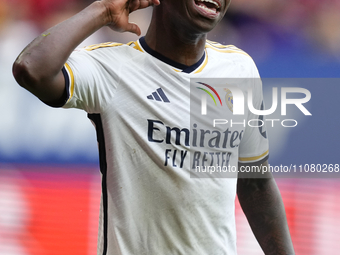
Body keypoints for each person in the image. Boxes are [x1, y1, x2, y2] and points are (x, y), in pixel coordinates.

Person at [13, 0, 295, 254]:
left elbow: (255, 182)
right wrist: (103, 11)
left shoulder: (238, 69)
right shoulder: (111, 69)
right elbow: (31, 69)